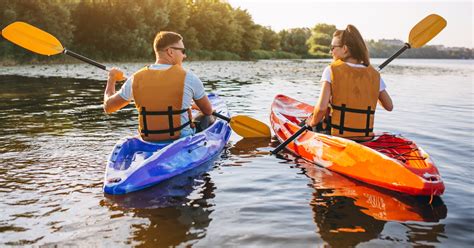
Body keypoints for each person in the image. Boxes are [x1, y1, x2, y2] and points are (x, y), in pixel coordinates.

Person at [103, 31, 214, 142]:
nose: (184, 55)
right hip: (181, 138)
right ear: (170, 51)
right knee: (207, 116)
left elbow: (108, 107)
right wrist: (196, 107)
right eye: (182, 51)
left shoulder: (135, 78)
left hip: (149, 139)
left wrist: (111, 78)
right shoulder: (189, 78)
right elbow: (208, 110)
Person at [307, 25, 393, 141]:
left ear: (345, 48)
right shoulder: (374, 74)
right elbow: (389, 106)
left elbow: (321, 108)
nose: (330, 51)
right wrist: (370, 87)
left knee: (313, 120)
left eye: (333, 47)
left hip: (337, 136)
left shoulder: (331, 70)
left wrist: (311, 123)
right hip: (365, 137)